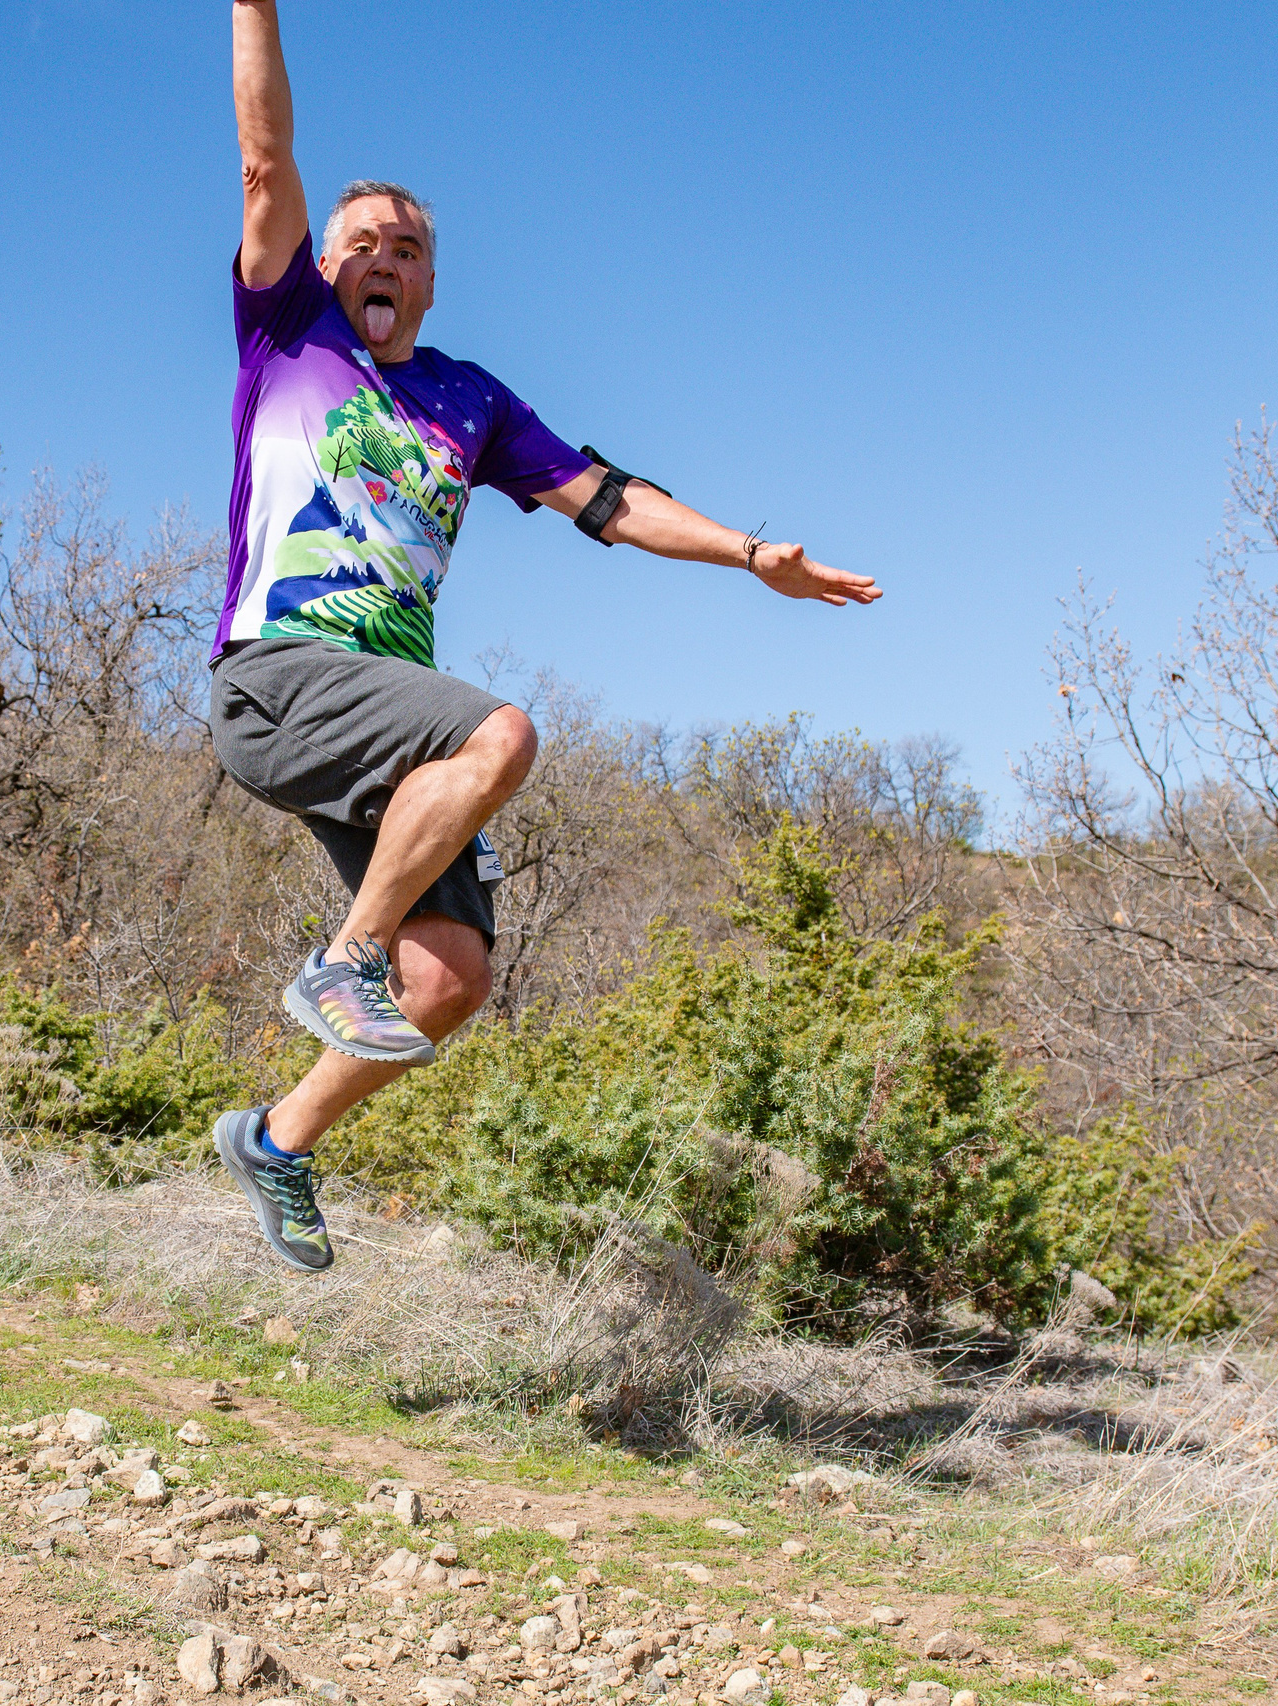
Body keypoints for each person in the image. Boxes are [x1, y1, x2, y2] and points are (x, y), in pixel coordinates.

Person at [209, 0, 882, 1272]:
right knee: (500, 731)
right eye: (360, 241)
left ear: (428, 279)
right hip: (278, 677)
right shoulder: (284, 332)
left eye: (405, 246)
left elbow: (612, 501)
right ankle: (344, 954)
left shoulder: (470, 398)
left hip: (384, 725)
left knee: (451, 977)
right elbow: (263, 154)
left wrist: (751, 555)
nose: (381, 257)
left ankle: (278, 1138)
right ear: (322, 261)